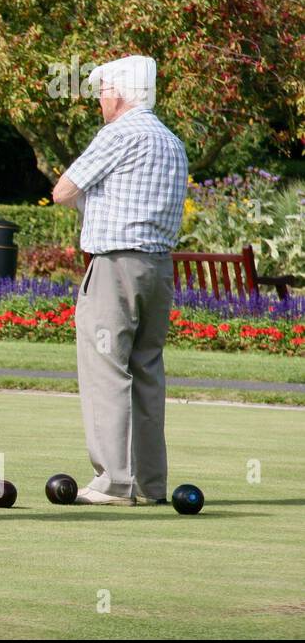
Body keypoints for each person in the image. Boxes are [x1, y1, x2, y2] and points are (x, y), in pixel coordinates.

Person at [52, 55, 188, 506]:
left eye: (103, 92)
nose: (100, 101)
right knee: (147, 369)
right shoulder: (172, 142)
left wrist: (89, 196)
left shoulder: (118, 134)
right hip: (159, 269)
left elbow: (63, 190)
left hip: (114, 267)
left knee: (106, 369)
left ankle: (113, 482)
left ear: (119, 92)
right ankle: (150, 485)